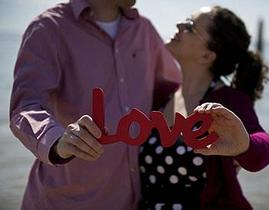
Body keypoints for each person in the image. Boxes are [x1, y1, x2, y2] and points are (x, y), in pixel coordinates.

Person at [9, 0, 181, 209]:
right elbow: (26, 106)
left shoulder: (144, 29)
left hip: (133, 200)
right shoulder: (48, 28)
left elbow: (171, 91)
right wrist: (56, 140)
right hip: (65, 202)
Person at [138, 6, 269, 210]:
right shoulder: (161, 93)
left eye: (190, 26)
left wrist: (243, 145)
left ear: (206, 56)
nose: (179, 25)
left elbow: (265, 147)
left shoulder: (228, 101)